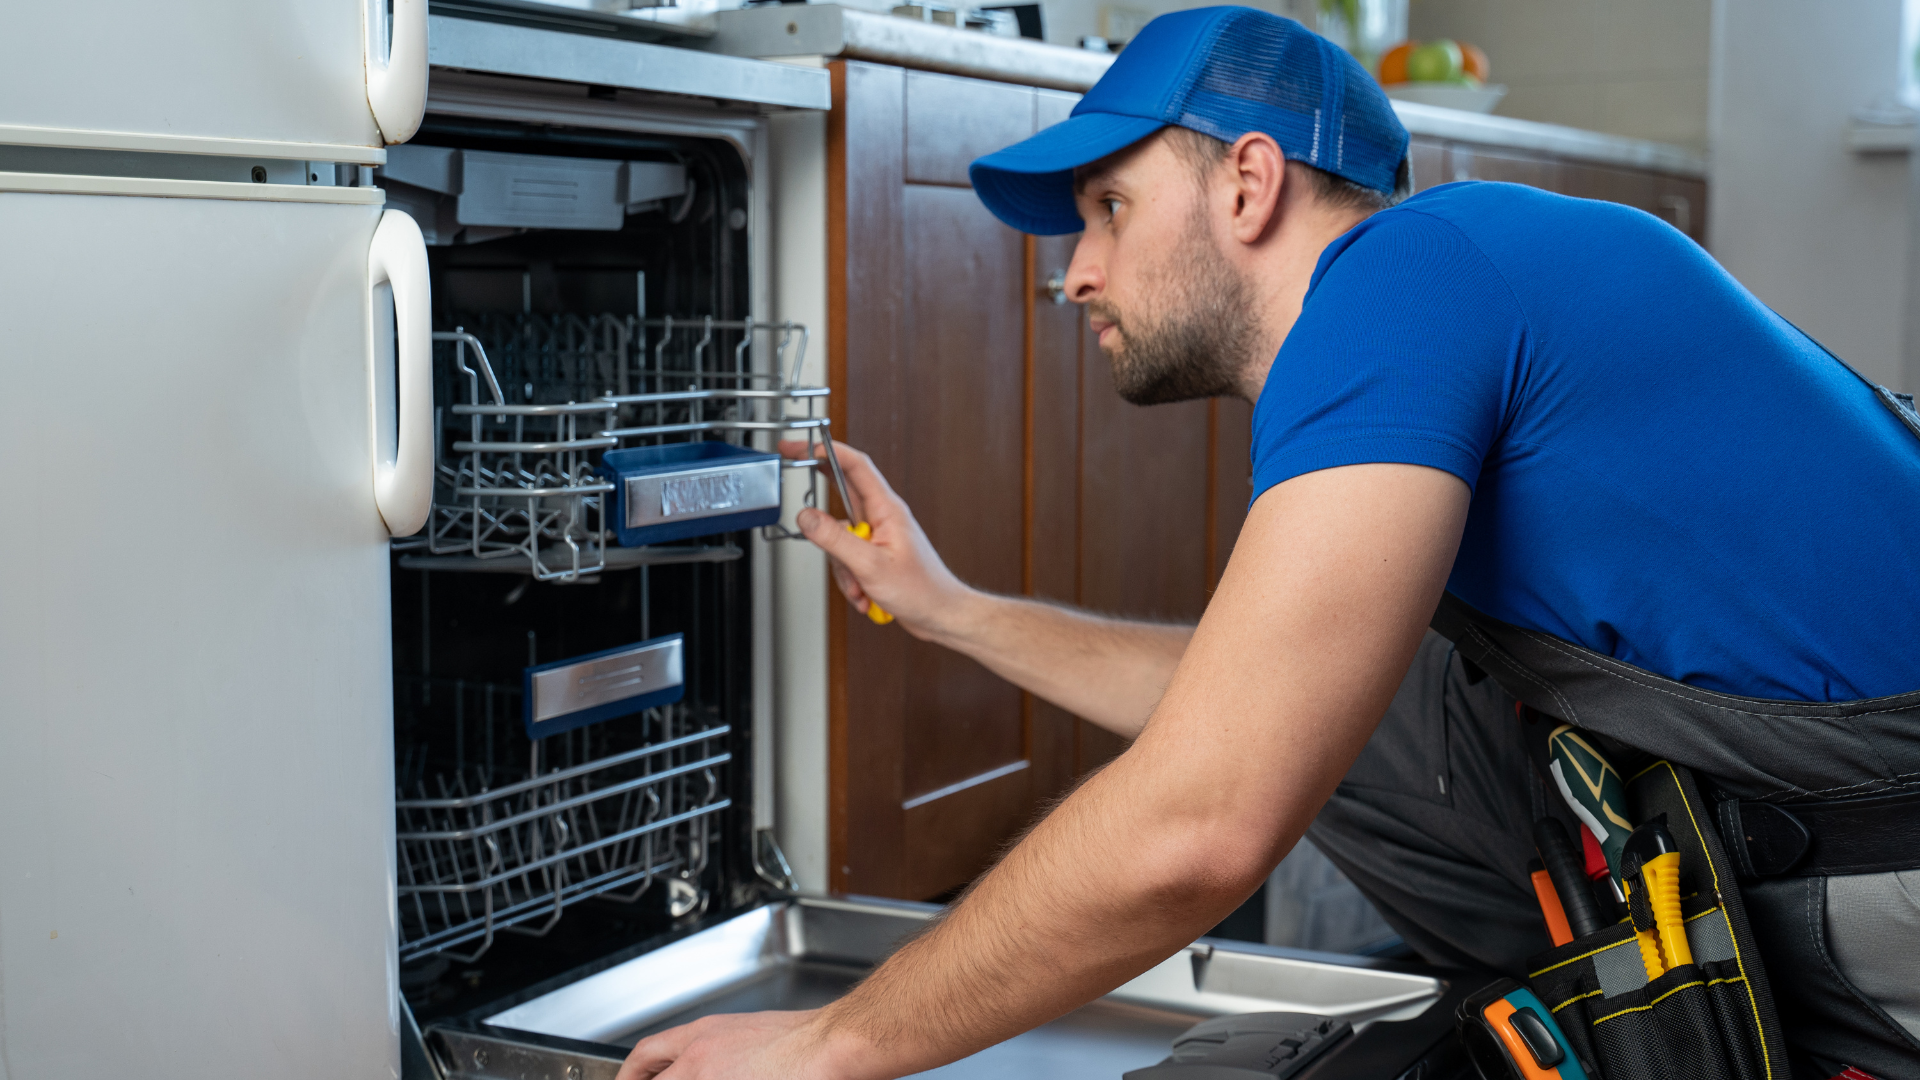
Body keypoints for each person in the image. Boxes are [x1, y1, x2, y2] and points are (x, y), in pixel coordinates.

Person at [618, 8, 1920, 1079]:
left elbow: (1203, 823)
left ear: (1249, 180)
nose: (1074, 272)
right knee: (1399, 707)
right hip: (1776, 792)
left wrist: (835, 1043)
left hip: (1879, 880)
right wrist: (943, 603)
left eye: (1110, 209)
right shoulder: (1463, 269)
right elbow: (1245, 713)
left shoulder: (1406, 283)